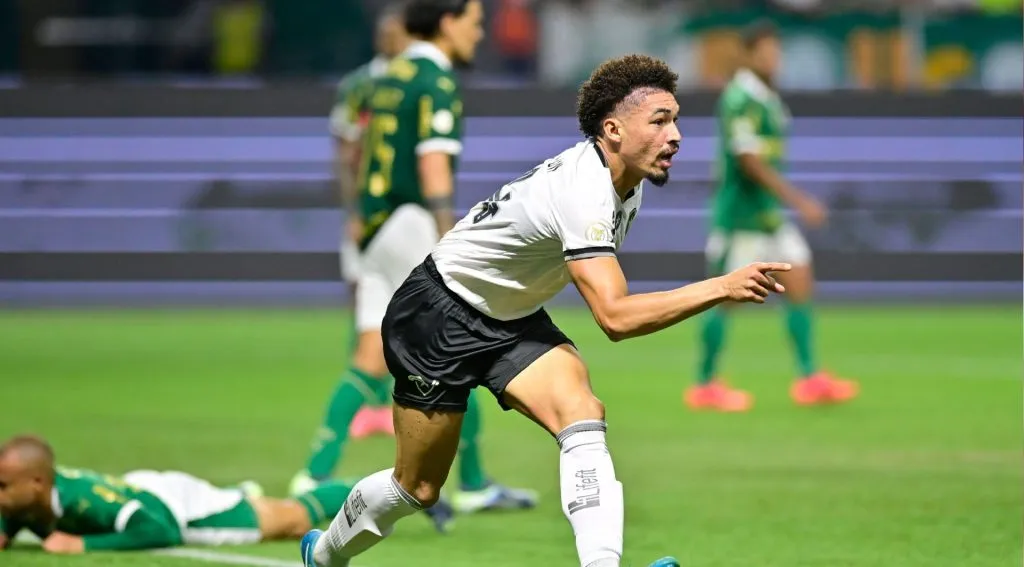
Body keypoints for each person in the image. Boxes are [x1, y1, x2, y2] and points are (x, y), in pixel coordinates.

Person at [300, 53, 792, 567]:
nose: (676, 136)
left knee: (582, 411)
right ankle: (325, 553)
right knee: (417, 487)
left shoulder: (627, 182)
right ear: (613, 130)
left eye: (676, 120)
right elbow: (616, 318)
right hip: (438, 314)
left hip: (512, 319)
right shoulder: (585, 190)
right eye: (660, 121)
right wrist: (722, 286)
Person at [291, 0, 538, 524]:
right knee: (463, 343)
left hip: (376, 227)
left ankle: (312, 474)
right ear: (447, 22)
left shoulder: (383, 78)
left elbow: (354, 151)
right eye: (474, 23)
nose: (479, 33)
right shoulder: (435, 79)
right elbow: (432, 160)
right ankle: (471, 483)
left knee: (368, 356)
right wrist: (449, 232)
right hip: (410, 222)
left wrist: (357, 212)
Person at [685, 20, 859, 412]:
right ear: (748, 55)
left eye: (776, 51)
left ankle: (810, 378)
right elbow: (749, 161)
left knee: (800, 280)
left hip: (768, 216)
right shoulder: (740, 98)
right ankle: (705, 384)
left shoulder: (766, 97)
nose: (773, 58)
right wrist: (799, 200)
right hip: (739, 218)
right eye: (765, 52)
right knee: (723, 298)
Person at [0, 435, 350, 554]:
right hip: (145, 489)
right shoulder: (30, 498)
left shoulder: (84, 501)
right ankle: (239, 493)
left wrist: (83, 545)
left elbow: (160, 530)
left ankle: (366, 488)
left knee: (294, 519)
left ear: (37, 483)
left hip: (177, 510)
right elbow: (14, 515)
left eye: (3, 487)